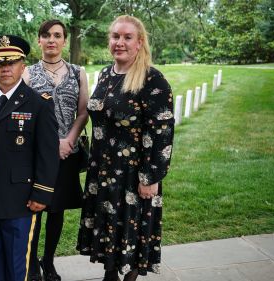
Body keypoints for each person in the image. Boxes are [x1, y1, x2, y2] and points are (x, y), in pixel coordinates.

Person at [76, 15, 174, 281]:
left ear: (139, 42)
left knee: (132, 230)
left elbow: (162, 133)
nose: (119, 42)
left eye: (127, 37)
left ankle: (128, 276)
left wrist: (151, 177)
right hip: (104, 170)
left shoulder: (152, 80)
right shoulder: (107, 75)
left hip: (134, 173)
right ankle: (110, 273)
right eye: (115, 36)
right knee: (108, 227)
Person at [0, 35, 59, 281]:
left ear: (22, 66)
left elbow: (47, 153)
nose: (6, 68)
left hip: (20, 200)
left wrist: (42, 192)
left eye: (12, 62)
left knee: (17, 267)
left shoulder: (38, 103)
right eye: (0, 63)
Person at [21, 19, 88, 281]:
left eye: (57, 35)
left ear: (64, 41)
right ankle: (32, 264)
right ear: (39, 40)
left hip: (66, 151)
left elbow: (83, 112)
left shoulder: (77, 72)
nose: (51, 40)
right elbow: (24, 112)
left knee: (57, 209)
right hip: (37, 152)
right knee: (36, 207)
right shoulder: (27, 73)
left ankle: (48, 260)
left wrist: (69, 140)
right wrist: (49, 144)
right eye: (46, 35)